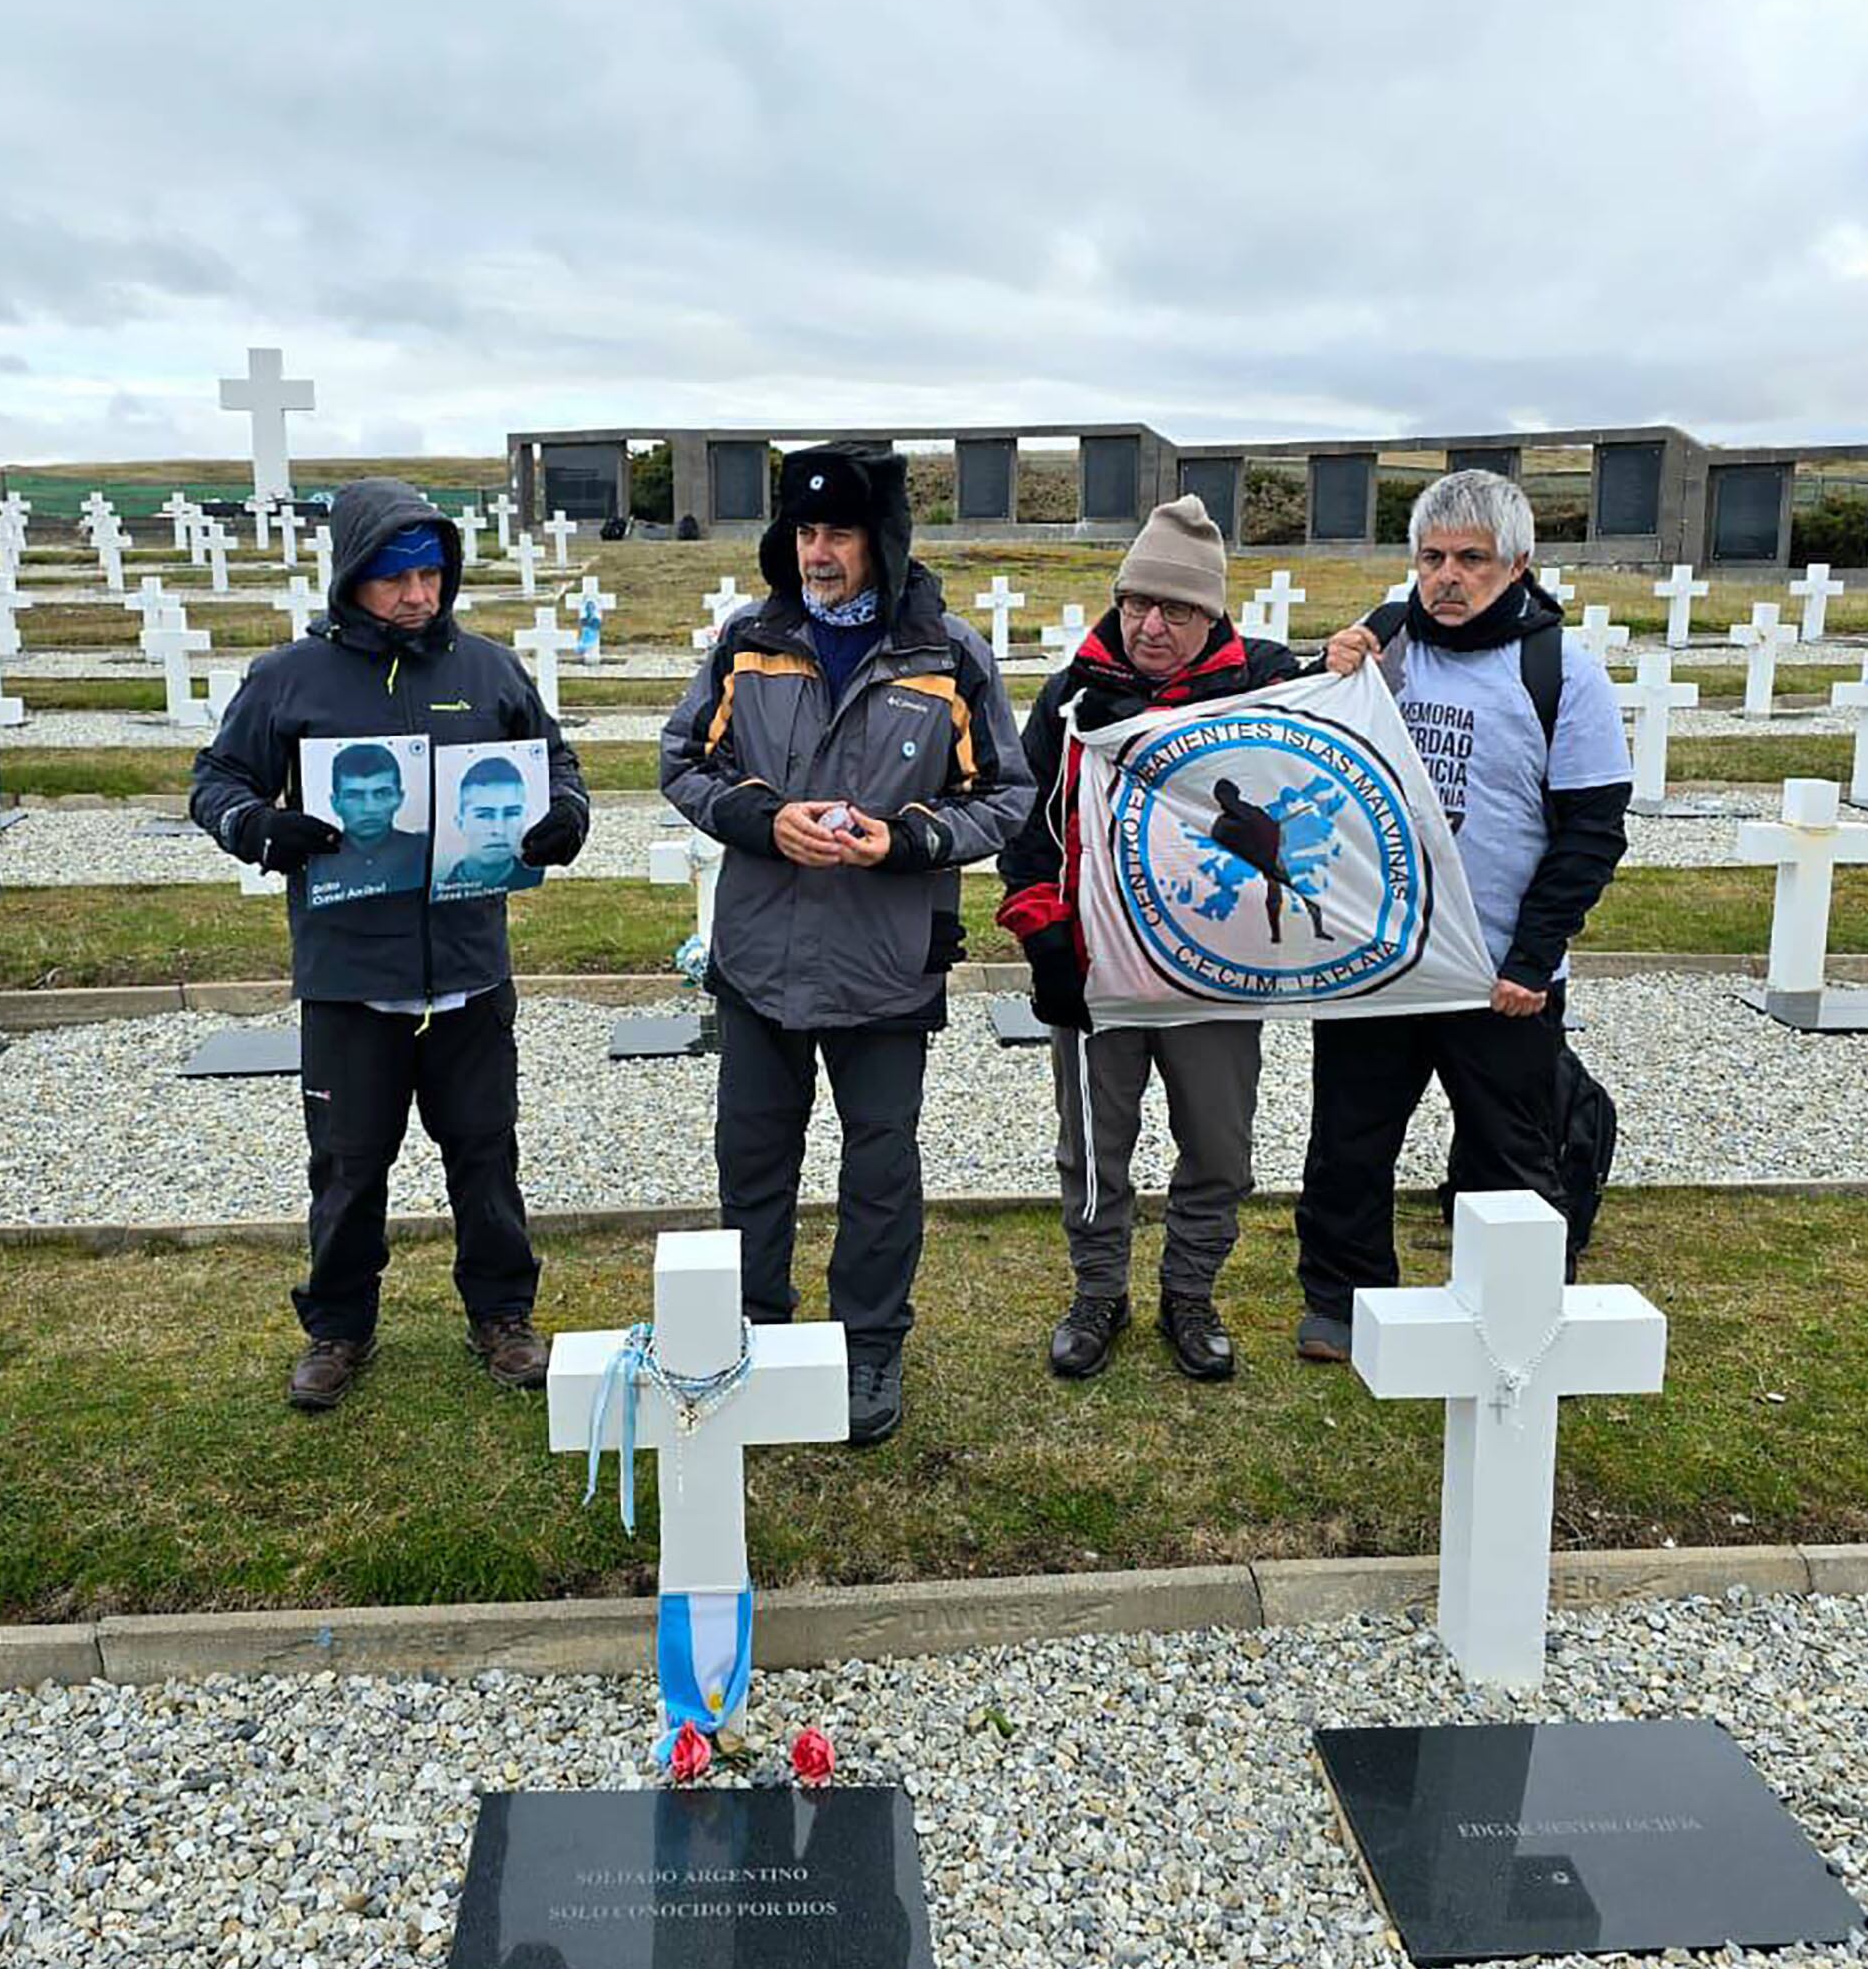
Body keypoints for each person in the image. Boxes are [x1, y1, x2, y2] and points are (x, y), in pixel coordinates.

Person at [660, 444, 1032, 1447]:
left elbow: (1006, 794)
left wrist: (907, 839)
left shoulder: (946, 654)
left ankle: (869, 1344)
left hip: (884, 962)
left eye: (842, 534)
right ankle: (756, 1332)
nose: (819, 555)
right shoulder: (749, 639)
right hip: (760, 961)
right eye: (807, 533)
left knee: (879, 1169)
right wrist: (759, 819)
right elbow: (683, 759)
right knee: (753, 1159)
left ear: (883, 542)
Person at [190, 480, 590, 1410]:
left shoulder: (488, 672)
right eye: (394, 578)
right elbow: (215, 778)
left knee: (485, 1153)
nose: (417, 595)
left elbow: (555, 760)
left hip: (467, 971)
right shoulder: (291, 677)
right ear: (351, 579)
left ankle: (502, 1315)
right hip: (351, 976)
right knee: (346, 1161)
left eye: (430, 574)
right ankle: (338, 1327)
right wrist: (259, 827)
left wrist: (564, 813)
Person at [1292, 470, 1631, 1360]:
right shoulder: (1381, 653)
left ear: (1518, 564)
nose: (1447, 576)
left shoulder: (1564, 674)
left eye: (1471, 558)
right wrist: (1326, 674)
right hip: (1379, 961)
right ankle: (1342, 1300)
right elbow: (1309, 765)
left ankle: (1510, 1302)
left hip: (1497, 975)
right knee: (1348, 1143)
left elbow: (1591, 832)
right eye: (1432, 557)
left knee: (1509, 1148)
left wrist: (1532, 957)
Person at [997, 495, 1301, 1383]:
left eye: (1174, 608)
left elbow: (1339, 735)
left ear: (1211, 614)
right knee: (1093, 1142)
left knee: (1218, 1143)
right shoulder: (1074, 695)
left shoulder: (1266, 685)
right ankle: (1098, 1291)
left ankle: (1190, 1290)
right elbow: (1030, 825)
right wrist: (1043, 933)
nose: (1150, 624)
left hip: (1214, 970)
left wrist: (1368, 645)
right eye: (1136, 602)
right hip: (1100, 971)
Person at [304, 740, 429, 904]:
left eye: (382, 793)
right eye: (354, 796)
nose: (369, 808)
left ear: (400, 798)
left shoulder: (426, 851)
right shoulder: (315, 861)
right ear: (335, 803)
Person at [434, 753, 537, 896]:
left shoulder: (534, 880)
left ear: (525, 818)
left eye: (511, 813)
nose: (499, 830)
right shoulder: (436, 887)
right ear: (460, 823)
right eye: (484, 815)